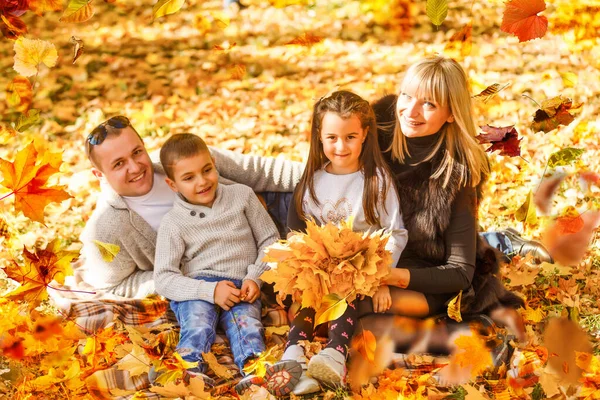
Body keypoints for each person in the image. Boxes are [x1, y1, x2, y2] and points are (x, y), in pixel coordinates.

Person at [350, 56, 528, 383]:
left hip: (426, 272)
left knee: (359, 316)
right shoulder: (373, 127)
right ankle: (502, 239)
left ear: (451, 114)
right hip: (371, 259)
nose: (411, 111)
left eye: (429, 104)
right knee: (339, 313)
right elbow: (322, 171)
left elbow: (459, 271)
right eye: (406, 96)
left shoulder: (457, 174)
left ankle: (479, 343)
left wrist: (392, 276)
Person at [265, 91, 409, 396]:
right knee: (309, 291)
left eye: (350, 137)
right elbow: (299, 234)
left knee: (342, 287)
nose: (340, 146)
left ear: (365, 135)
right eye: (332, 137)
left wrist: (381, 278)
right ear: (319, 136)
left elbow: (396, 233)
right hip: (320, 267)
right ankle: (293, 356)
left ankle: (334, 354)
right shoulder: (313, 181)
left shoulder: (376, 180)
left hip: (358, 270)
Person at [76, 116, 303, 299]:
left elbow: (261, 171)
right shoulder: (107, 227)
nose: (135, 167)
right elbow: (114, 285)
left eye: (137, 153)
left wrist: (323, 173)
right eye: (119, 164)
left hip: (274, 210)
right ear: (99, 175)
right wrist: (185, 281)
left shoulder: (179, 160)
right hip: (257, 271)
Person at [152, 133, 299, 394]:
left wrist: (255, 276)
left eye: (207, 170)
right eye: (189, 178)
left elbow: (270, 239)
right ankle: (188, 373)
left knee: (248, 326)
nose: (202, 181)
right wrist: (209, 291)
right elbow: (163, 277)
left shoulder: (242, 196)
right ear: (172, 185)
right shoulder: (173, 223)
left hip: (242, 283)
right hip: (199, 288)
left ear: (214, 164)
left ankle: (256, 376)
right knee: (198, 324)